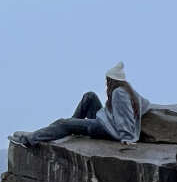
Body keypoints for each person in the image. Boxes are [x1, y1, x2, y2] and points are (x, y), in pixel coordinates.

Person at [12, 63, 146, 148]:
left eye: (107, 80)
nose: (106, 83)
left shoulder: (118, 93)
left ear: (112, 81)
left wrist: (127, 137)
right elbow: (146, 105)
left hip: (109, 130)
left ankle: (29, 140)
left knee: (63, 123)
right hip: (107, 121)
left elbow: (125, 117)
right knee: (90, 96)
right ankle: (71, 128)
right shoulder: (130, 91)